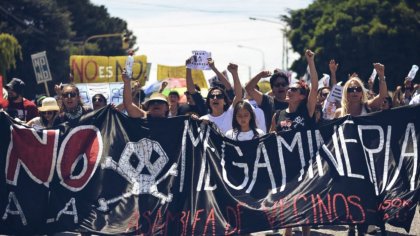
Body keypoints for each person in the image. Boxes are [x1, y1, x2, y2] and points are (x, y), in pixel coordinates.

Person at [199, 61, 242, 134]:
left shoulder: (230, 113)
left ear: (225, 101)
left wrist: (234, 73)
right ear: (209, 101)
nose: (215, 98)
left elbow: (238, 96)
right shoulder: (203, 119)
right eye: (212, 96)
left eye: (219, 96)